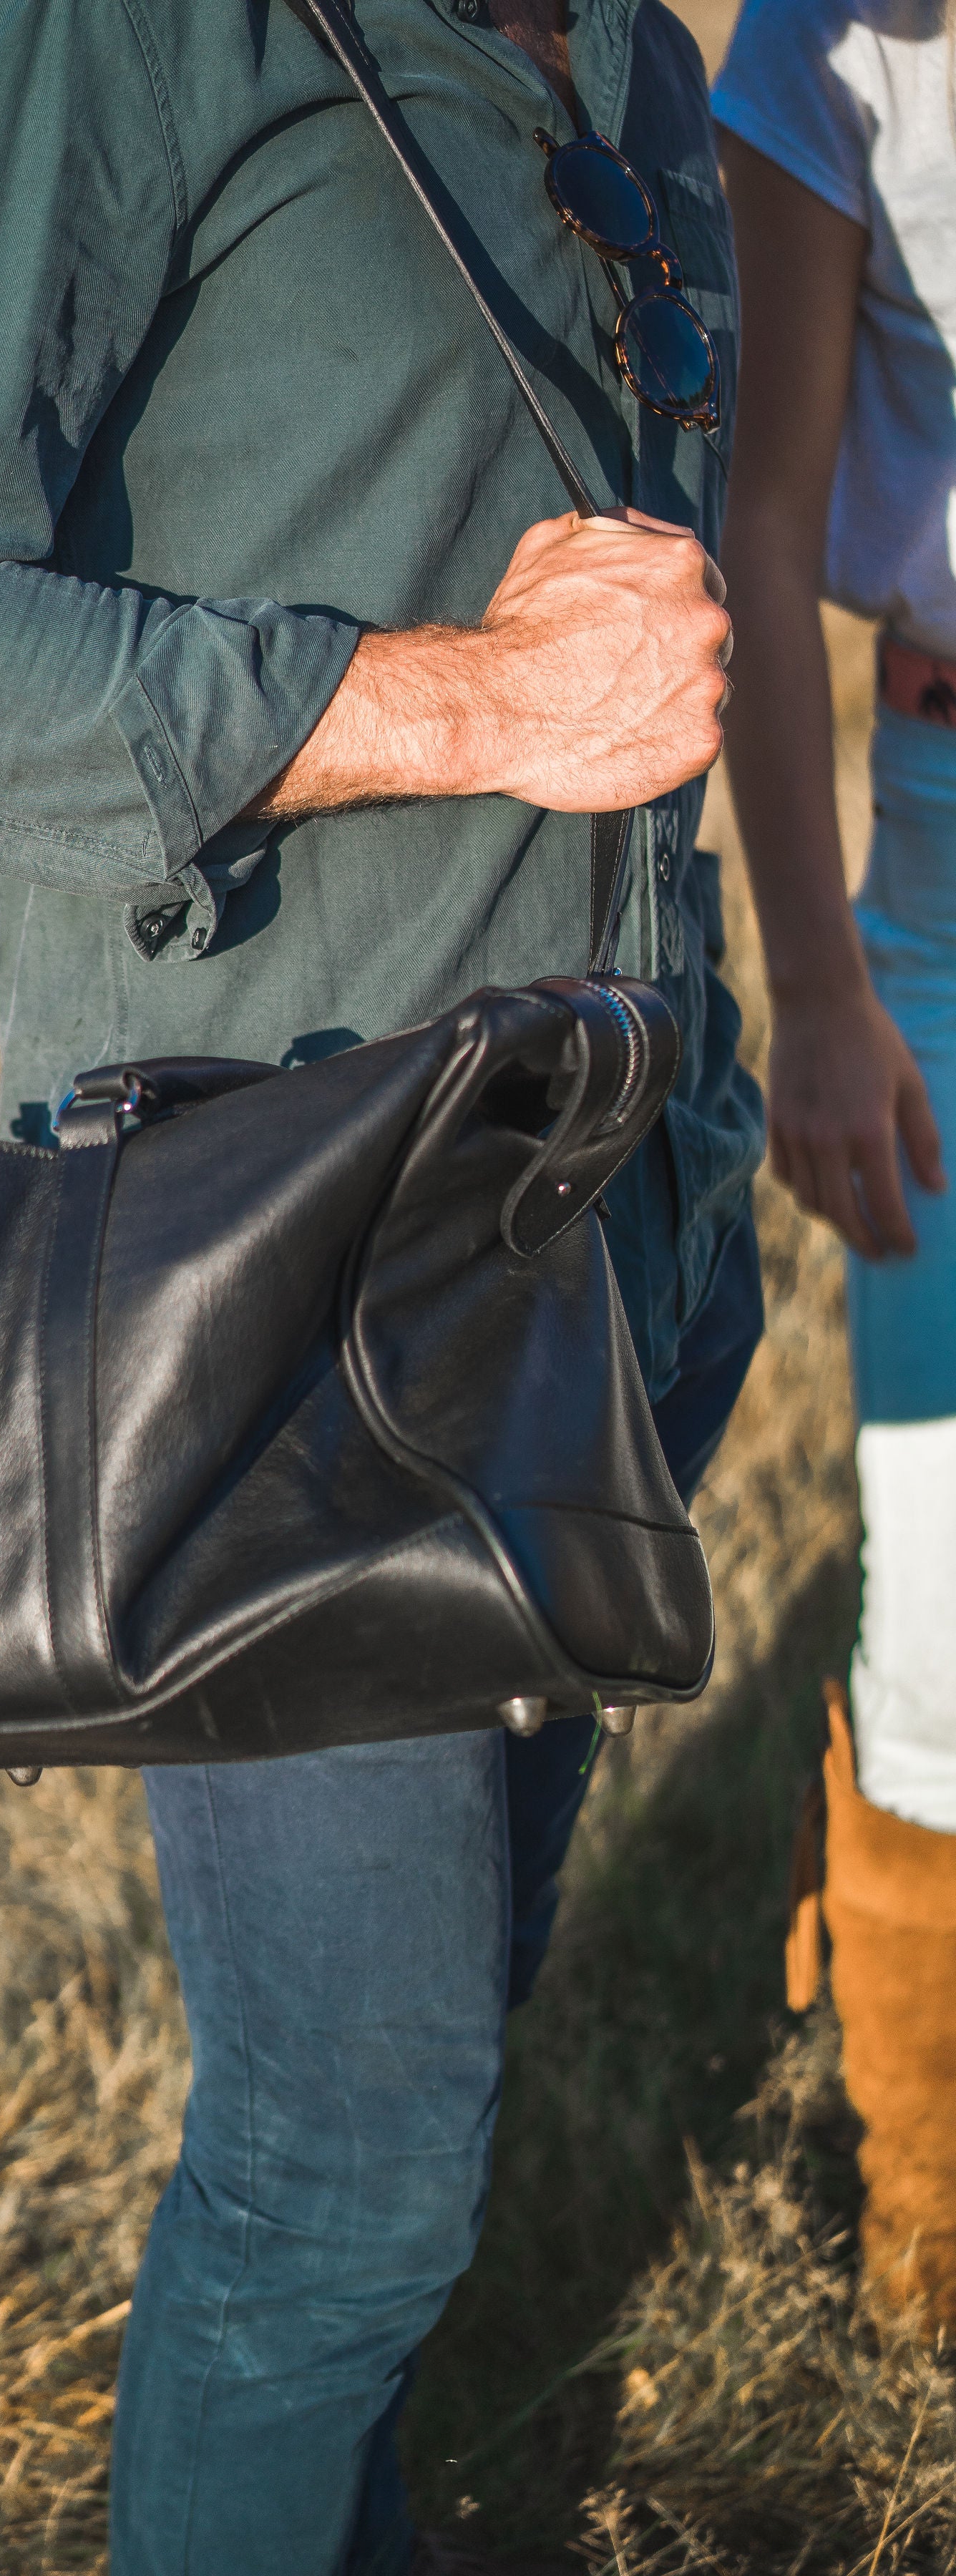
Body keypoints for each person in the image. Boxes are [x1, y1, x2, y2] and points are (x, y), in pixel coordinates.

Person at [0, 0, 763, 2564]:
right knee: (344, 2177)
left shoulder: (618, 47)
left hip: (602, 1254)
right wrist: (462, 703)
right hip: (284, 1297)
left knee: (426, 2083)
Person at [714, 0, 956, 2328]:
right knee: (952, 1562)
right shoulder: (831, 49)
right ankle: (929, 2188)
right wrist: (815, 982)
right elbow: (763, 517)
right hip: (948, 869)